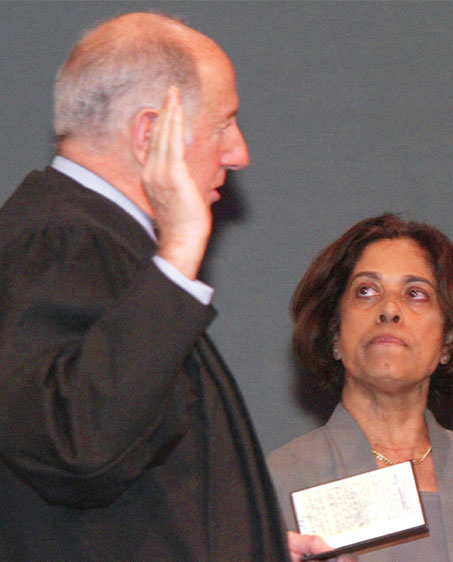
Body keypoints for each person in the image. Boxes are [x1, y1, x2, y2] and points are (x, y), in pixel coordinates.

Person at [0, 12, 331, 561]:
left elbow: (134, 483)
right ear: (151, 134)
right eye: (225, 124)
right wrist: (179, 255)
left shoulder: (95, 245)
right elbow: (76, 444)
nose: (240, 152)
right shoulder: (58, 239)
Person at [268, 214, 453, 561]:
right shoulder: (275, 483)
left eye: (415, 294)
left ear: (448, 340)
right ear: (334, 334)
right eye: (366, 291)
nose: (389, 309)